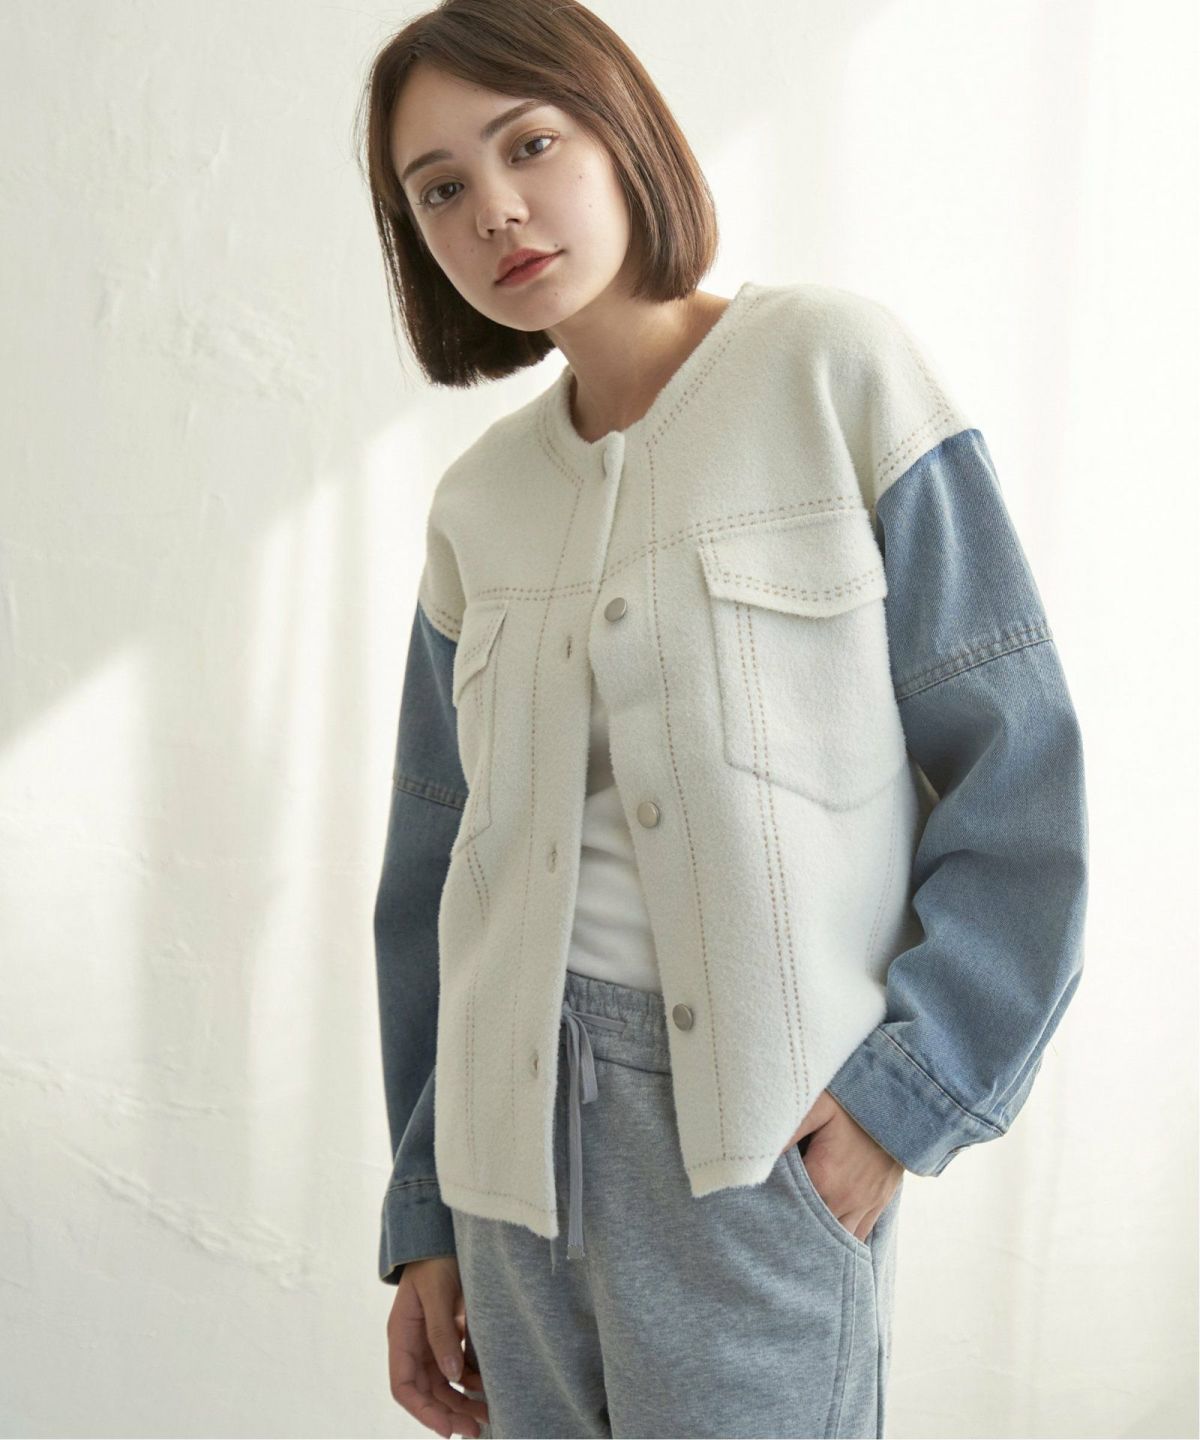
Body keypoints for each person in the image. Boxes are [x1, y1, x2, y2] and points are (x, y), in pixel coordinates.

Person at [356, 2, 1090, 1436]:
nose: (492, 207)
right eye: (438, 188)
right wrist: (429, 1207)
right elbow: (434, 875)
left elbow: (1018, 769)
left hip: (757, 1149)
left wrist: (905, 1100)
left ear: (620, 130)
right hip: (507, 1168)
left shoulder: (834, 369)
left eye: (528, 143)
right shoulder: (478, 505)